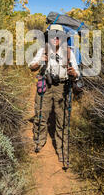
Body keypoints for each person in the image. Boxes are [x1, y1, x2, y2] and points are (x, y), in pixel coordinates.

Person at [28, 25, 79, 164]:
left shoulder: (68, 52)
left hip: (63, 87)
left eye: (58, 36)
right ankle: (39, 142)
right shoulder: (43, 50)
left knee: (62, 119)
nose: (55, 38)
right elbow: (32, 67)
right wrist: (39, 62)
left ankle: (62, 150)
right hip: (45, 85)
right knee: (41, 114)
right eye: (52, 35)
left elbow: (77, 74)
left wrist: (73, 73)